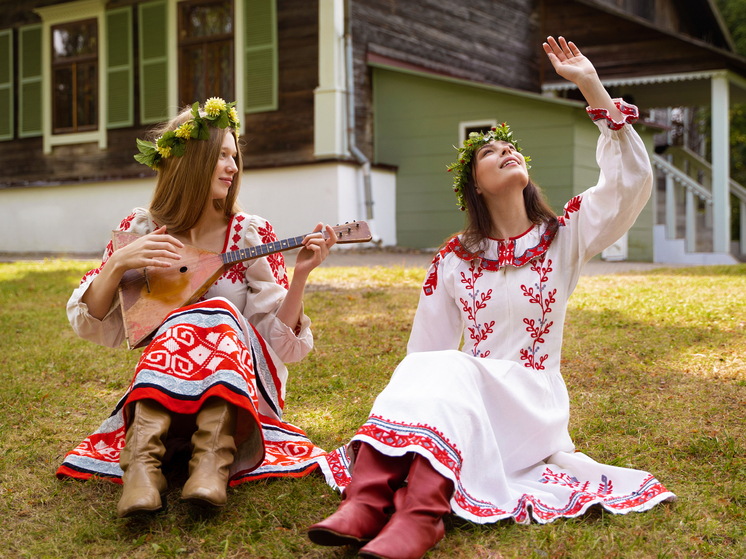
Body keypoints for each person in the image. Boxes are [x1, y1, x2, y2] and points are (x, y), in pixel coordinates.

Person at [308, 37, 675, 559]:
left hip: (532, 408)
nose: (506, 151)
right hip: (470, 407)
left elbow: (630, 182)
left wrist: (590, 85)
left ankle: (417, 515)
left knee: (449, 367)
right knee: (430, 366)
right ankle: (370, 503)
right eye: (489, 151)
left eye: (511, 148)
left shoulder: (563, 234)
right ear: (474, 186)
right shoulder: (455, 259)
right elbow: (424, 359)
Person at [56, 98, 337, 517]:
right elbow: (92, 323)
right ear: (192, 161)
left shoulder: (249, 235)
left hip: (239, 400)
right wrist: (116, 264)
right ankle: (142, 469)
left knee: (216, 312)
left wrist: (300, 276)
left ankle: (211, 461)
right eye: (222, 155)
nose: (233, 167)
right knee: (191, 316)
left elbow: (284, 348)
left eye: (235, 156)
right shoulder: (146, 228)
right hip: (167, 400)